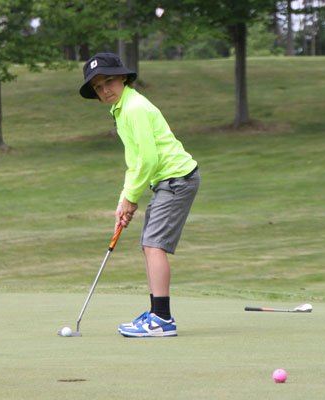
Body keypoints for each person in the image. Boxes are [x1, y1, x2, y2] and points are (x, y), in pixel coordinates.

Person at [79, 53, 200, 338]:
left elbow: (148, 159)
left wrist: (132, 198)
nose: (105, 90)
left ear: (123, 78)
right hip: (167, 180)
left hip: (176, 179)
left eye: (109, 81)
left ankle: (162, 319)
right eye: (98, 87)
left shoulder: (133, 108)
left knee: (154, 245)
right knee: (149, 244)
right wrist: (125, 198)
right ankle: (156, 313)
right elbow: (135, 162)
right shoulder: (121, 108)